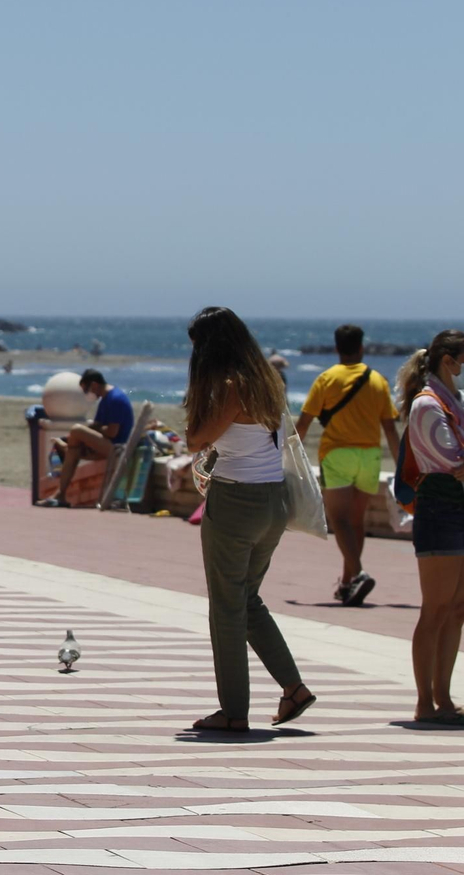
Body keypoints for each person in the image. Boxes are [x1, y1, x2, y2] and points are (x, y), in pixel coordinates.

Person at [184, 306, 315, 732]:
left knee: (226, 608)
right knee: (247, 600)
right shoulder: (266, 381)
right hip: (272, 502)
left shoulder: (228, 385)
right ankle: (293, 688)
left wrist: (195, 391)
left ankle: (233, 711)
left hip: (236, 502)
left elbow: (196, 437)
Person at [294, 324, 401, 607]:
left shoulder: (327, 379)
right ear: (362, 347)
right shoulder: (377, 380)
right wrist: (403, 465)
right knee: (356, 522)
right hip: (369, 457)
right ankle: (347, 583)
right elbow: (390, 428)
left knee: (339, 520)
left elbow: (303, 424)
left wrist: (284, 456)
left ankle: (359, 573)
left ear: (337, 347)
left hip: (338, 455)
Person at [395, 332, 464, 723]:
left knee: (456, 608)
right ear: (448, 360)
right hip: (439, 510)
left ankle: (444, 697)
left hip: (456, 508)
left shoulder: (452, 400)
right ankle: (425, 701)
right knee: (435, 608)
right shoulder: (427, 403)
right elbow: (451, 459)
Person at [40, 369, 134, 508]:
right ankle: (60, 495)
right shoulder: (105, 399)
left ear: (94, 385)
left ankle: (67, 447)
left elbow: (112, 432)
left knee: (77, 429)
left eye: (86, 390)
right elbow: (98, 425)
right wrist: (92, 429)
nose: (87, 394)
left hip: (117, 448)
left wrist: (93, 428)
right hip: (106, 444)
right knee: (74, 451)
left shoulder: (116, 399)